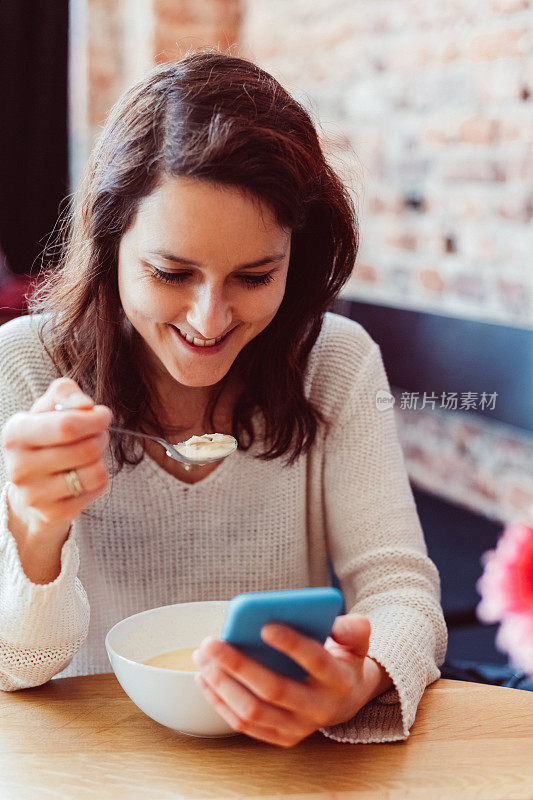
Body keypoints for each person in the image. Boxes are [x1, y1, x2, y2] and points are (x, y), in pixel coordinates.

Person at [0, 50, 446, 746]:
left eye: (254, 275)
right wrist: (35, 534)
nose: (209, 320)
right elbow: (18, 669)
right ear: (111, 243)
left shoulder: (332, 362)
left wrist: (358, 681)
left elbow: (400, 594)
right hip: (86, 765)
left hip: (279, 762)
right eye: (171, 272)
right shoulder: (27, 365)